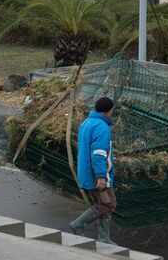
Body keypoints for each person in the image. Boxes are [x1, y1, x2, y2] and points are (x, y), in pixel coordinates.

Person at [69, 97, 117, 245]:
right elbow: (98, 154)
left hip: (86, 172)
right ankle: (79, 225)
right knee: (108, 204)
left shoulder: (86, 123)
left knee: (102, 203)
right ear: (108, 111)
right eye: (112, 110)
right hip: (96, 175)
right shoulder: (102, 127)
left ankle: (104, 237)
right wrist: (101, 176)